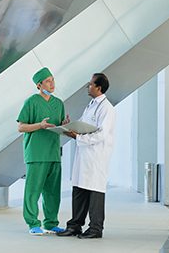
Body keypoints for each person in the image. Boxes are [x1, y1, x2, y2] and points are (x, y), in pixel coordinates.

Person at [57, 73, 115, 239]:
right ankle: (75, 225)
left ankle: (96, 229)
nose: (87, 86)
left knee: (94, 191)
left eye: (90, 84)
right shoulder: (91, 105)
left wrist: (79, 137)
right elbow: (82, 124)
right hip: (84, 154)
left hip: (96, 157)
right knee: (79, 188)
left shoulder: (107, 108)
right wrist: (68, 128)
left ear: (98, 87)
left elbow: (102, 134)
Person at [17, 67, 70, 236]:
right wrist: (40, 125)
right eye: (48, 81)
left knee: (53, 192)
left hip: (53, 153)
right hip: (36, 153)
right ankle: (33, 223)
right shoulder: (31, 102)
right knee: (33, 191)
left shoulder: (59, 103)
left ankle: (51, 223)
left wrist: (65, 124)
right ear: (39, 85)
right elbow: (21, 127)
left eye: (53, 79)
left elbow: (59, 127)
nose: (52, 83)